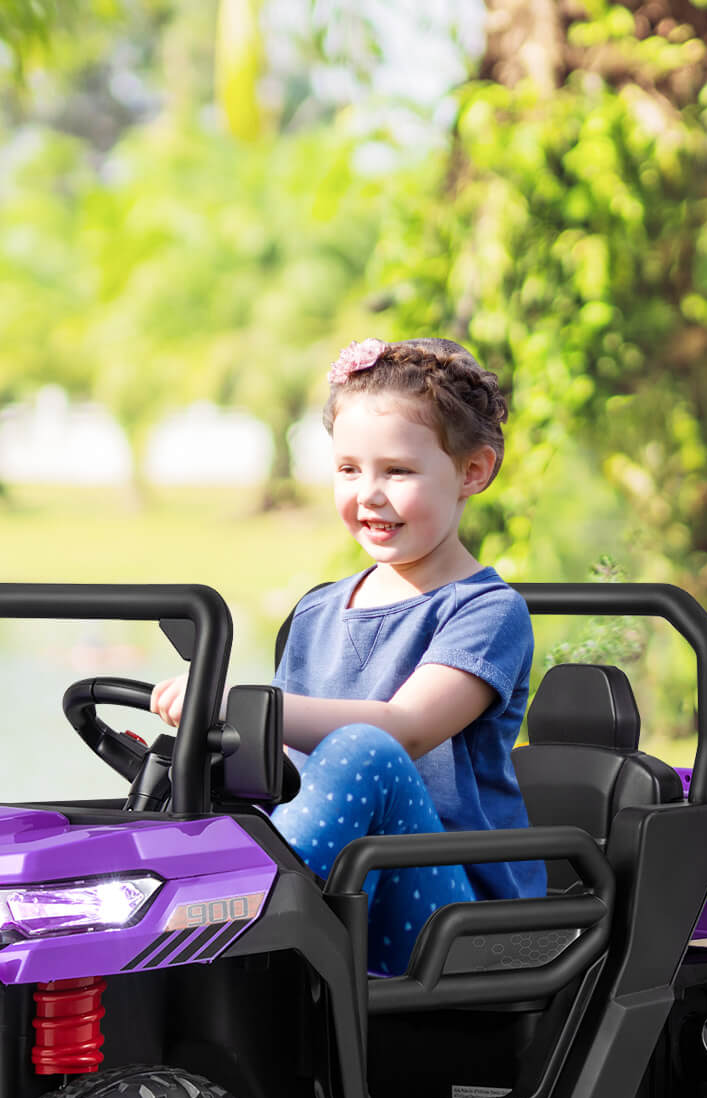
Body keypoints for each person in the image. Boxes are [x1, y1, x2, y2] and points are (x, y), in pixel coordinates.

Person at [151, 335, 546, 974]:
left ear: (473, 471)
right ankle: (182, 921)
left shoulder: (484, 611)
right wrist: (219, 738)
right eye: (348, 469)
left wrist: (253, 707)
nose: (369, 494)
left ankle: (241, 925)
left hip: (461, 920)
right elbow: (284, 762)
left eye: (398, 470)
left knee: (366, 749)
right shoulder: (317, 610)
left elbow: (409, 731)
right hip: (348, 886)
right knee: (189, 779)